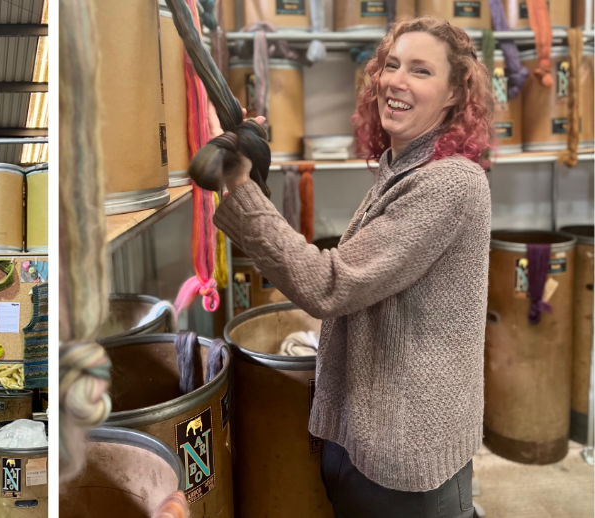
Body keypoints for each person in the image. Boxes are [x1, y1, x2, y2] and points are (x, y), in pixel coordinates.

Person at [208, 17, 493, 518]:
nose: (395, 81)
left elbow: (331, 284)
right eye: (391, 65)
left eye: (421, 71)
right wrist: (254, 171)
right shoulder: (400, 169)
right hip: (369, 432)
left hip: (407, 451)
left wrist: (240, 186)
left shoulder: (449, 184)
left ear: (454, 95)